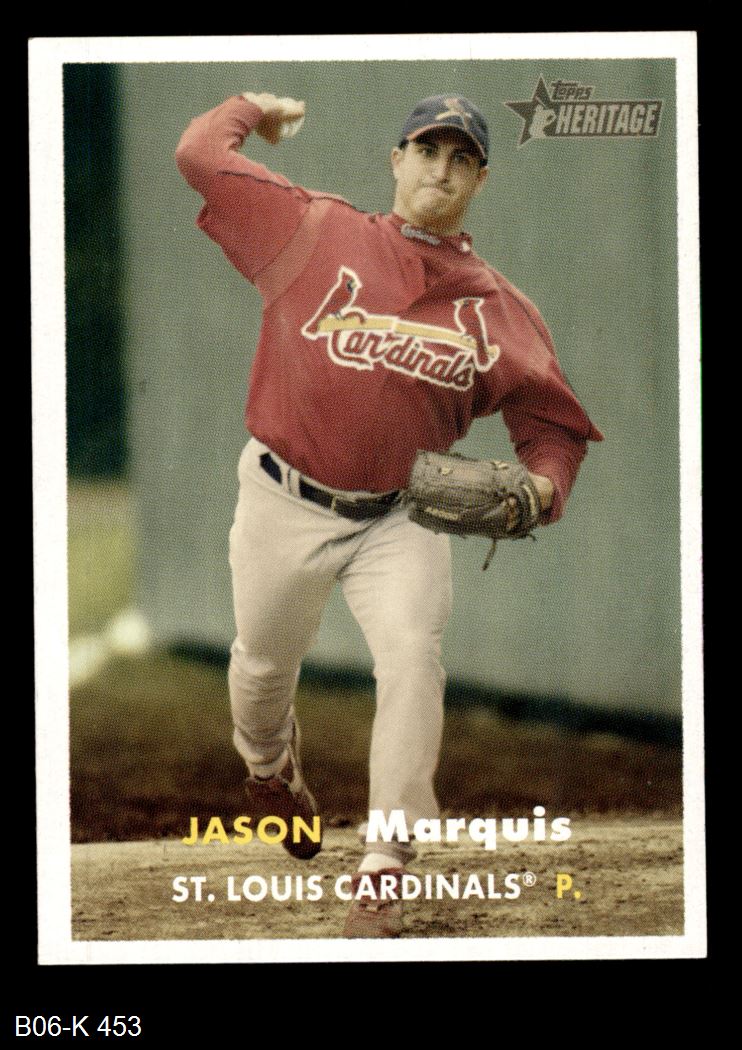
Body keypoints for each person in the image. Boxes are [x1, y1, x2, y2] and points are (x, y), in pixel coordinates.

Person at [175, 90, 602, 938]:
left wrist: (544, 486)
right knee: (261, 666)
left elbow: (554, 429)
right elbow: (198, 155)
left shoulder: (499, 309)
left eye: (462, 158)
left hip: (400, 516)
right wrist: (255, 106)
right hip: (282, 497)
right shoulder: (311, 228)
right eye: (428, 150)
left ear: (480, 179)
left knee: (413, 656)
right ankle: (270, 771)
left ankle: (385, 860)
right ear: (396, 160)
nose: (441, 169)